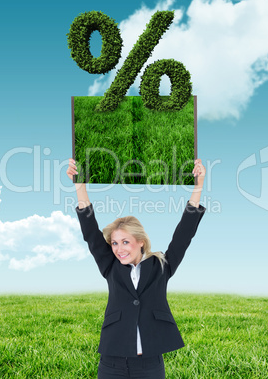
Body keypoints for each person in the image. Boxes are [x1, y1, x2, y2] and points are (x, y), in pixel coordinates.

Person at [66, 158, 206, 379]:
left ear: (141, 241)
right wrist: (79, 186)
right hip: (112, 363)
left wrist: (198, 187)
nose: (119, 249)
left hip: (149, 365)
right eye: (114, 243)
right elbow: (91, 233)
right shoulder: (110, 266)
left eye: (125, 242)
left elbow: (184, 235)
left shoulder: (161, 266)